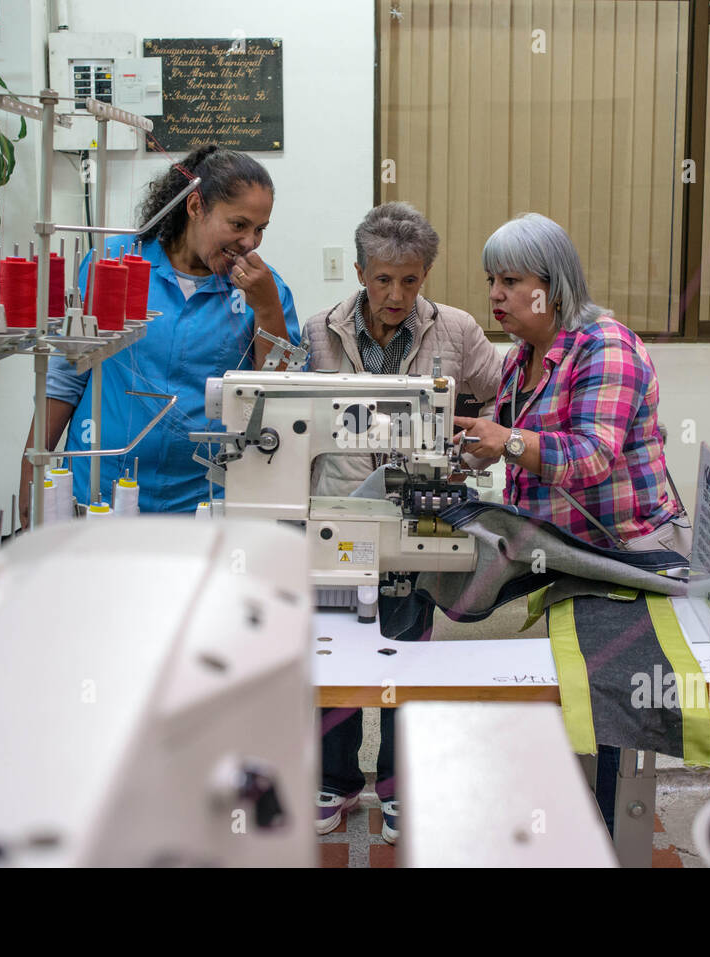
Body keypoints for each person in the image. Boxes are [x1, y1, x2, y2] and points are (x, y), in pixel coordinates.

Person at [454, 211, 690, 835]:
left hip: (626, 551)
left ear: (552, 284)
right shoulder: (523, 357)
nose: (496, 296)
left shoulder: (604, 346)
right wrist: (471, 452)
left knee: (613, 704)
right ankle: (578, 816)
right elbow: (515, 442)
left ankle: (614, 835)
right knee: (577, 692)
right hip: (567, 548)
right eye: (490, 281)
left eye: (510, 280)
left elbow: (588, 456)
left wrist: (504, 441)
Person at [306, 202, 502, 844]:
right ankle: (334, 781)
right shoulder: (318, 334)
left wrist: (474, 445)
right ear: (360, 271)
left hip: (422, 515)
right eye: (383, 278)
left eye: (411, 280)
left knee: (405, 653)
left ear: (426, 275)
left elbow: (496, 400)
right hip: (339, 517)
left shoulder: (459, 333)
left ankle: (398, 784)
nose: (396, 295)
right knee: (335, 656)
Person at [18, 146, 300, 526]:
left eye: (260, 229)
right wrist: (31, 466)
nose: (250, 242)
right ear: (196, 206)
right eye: (238, 225)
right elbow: (67, 374)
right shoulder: (115, 264)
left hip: (203, 502)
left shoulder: (265, 292)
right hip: (101, 493)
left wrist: (266, 310)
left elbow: (276, 402)